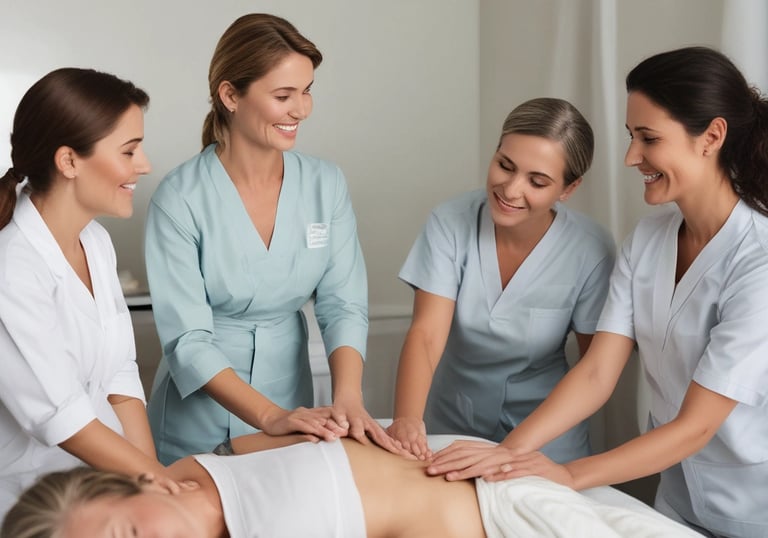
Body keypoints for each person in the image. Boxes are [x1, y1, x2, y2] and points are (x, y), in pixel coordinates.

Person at [427, 46, 768, 538]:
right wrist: (511, 453)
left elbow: (697, 425)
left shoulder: (757, 261)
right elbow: (596, 373)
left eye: (648, 138)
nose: (632, 157)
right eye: (632, 137)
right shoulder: (648, 241)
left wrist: (567, 474)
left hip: (753, 505)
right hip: (677, 497)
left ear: (712, 136)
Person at [144, 13, 398, 464]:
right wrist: (269, 416)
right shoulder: (179, 198)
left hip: (294, 405)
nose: (300, 109)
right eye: (283, 95)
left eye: (307, 91)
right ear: (230, 95)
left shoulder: (326, 184)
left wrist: (349, 398)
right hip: (196, 423)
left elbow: (343, 303)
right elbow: (188, 340)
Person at [0, 68, 186, 521]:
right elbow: (62, 416)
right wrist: (152, 482)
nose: (144, 164)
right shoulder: (13, 268)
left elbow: (121, 375)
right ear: (69, 161)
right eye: (129, 150)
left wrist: (150, 476)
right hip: (31, 504)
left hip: (100, 488)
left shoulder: (95, 241)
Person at [387, 98, 615, 463]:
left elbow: (593, 368)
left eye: (536, 181)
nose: (510, 189)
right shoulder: (450, 223)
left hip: (546, 438)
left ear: (568, 189)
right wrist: (408, 422)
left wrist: (511, 452)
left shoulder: (591, 250)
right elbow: (427, 335)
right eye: (505, 165)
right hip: (453, 422)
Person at [1, 433, 704, 538]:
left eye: (126, 534)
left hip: (510, 508)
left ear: (142, 484)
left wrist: (348, 428)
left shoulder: (199, 472)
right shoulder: (198, 486)